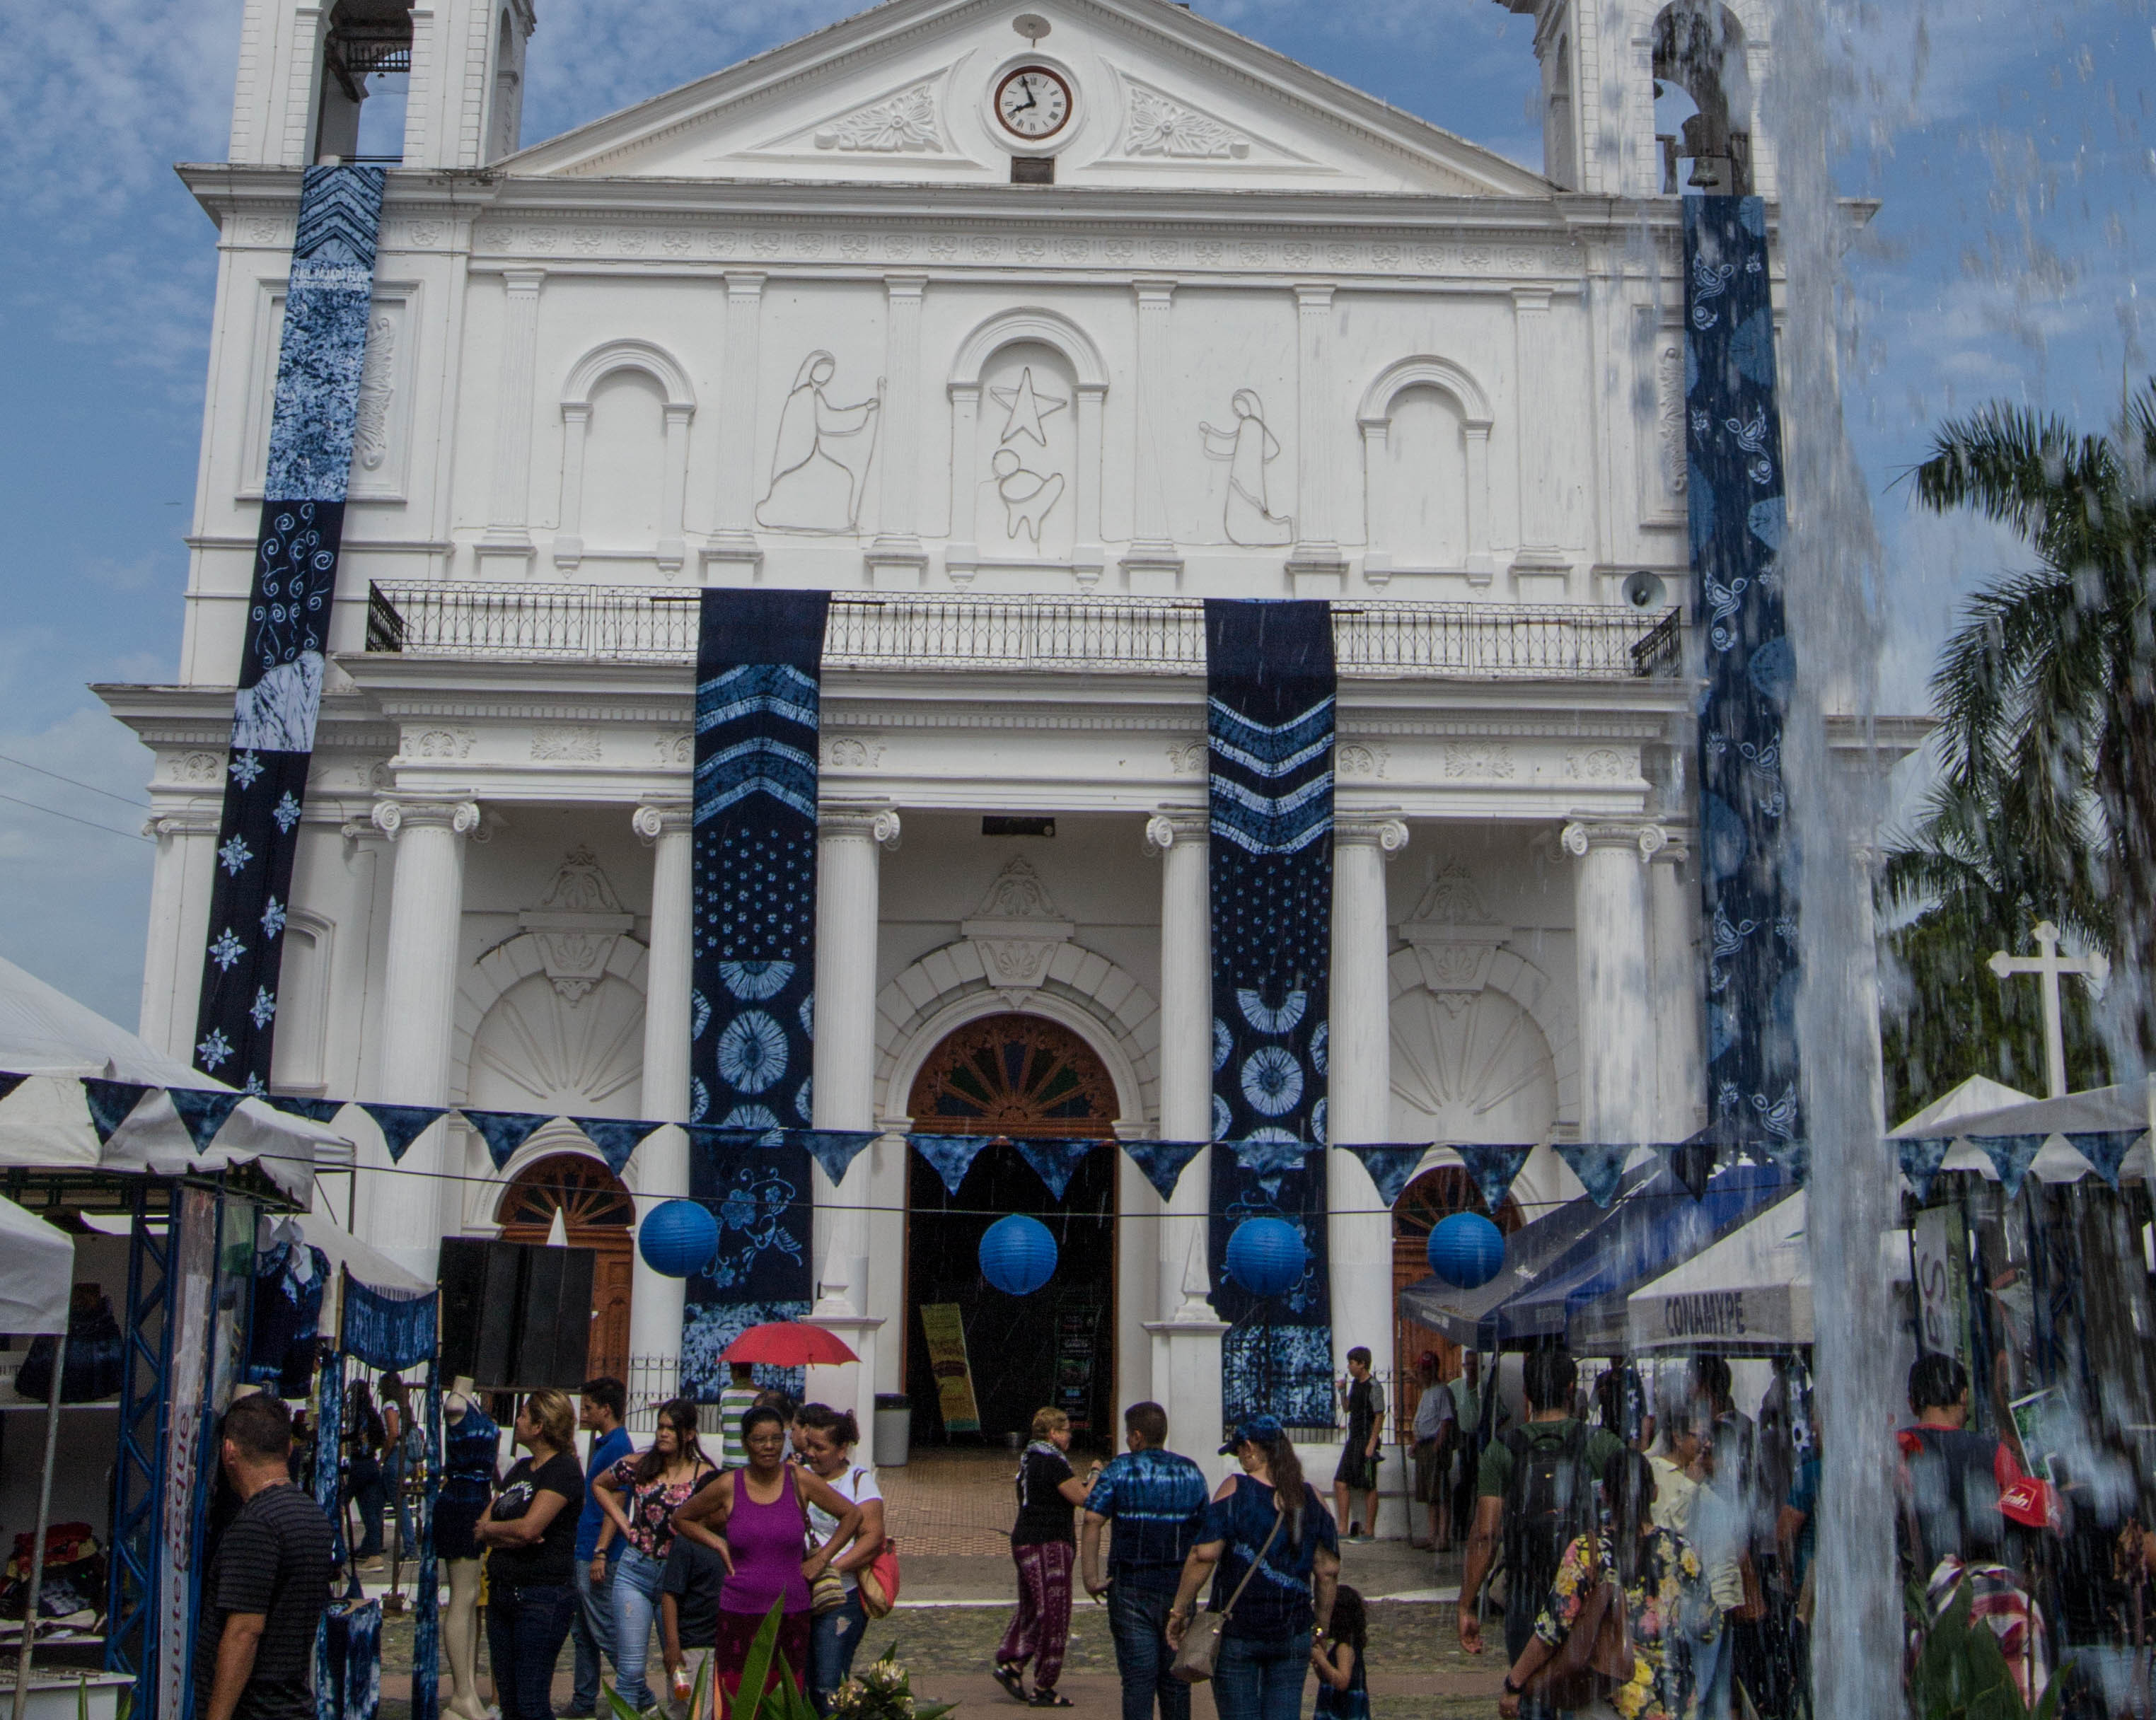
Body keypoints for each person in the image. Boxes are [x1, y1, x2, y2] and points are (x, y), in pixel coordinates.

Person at [1458, 1348, 1626, 1718]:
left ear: (1527, 1396)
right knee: (1586, 1695)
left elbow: (1485, 1535)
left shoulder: (1503, 1450)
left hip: (1525, 1593)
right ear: (1571, 1389)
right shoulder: (1602, 1446)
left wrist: (1467, 1603)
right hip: (1588, 1596)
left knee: (1530, 1693)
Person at [1497, 1450, 1716, 1720]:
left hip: (1611, 1698)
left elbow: (1551, 1630)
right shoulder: (1682, 1551)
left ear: (1605, 1495)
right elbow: (1708, 1626)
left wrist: (1514, 1683)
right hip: (1674, 1702)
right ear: (1655, 1493)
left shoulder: (1588, 1551)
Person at [674, 1405, 861, 1704]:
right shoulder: (728, 1485)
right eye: (760, 1440)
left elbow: (852, 1515)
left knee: (787, 1699)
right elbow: (682, 1518)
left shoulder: (800, 1479)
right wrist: (719, 1544)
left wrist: (822, 1558)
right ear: (746, 1442)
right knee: (739, 1700)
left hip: (792, 1612)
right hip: (740, 1612)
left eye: (777, 1438)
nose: (770, 1446)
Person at [1165, 1417, 1340, 1720]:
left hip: (1238, 1629)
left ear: (1250, 1448)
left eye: (1237, 1453)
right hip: (1293, 1628)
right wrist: (1321, 1627)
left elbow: (1203, 1554)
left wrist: (1179, 1611)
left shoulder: (1236, 1490)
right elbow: (1328, 1571)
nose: (1239, 1461)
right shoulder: (1311, 1498)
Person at [195, 1393, 336, 1720]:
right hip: (292, 1703)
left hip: (256, 1710)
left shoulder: (257, 1524)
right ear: (288, 1448)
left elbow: (245, 1631)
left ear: (229, 1451)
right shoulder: (311, 1515)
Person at [1079, 1401, 1210, 1720]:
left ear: (1137, 1436)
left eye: (1128, 1434)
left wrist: (1090, 1578)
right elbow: (1205, 1537)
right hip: (1179, 1587)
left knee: (1138, 1681)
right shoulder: (1191, 1471)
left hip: (1131, 1586)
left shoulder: (1120, 1470)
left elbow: (1092, 1520)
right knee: (1177, 1681)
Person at [593, 1398, 718, 1714]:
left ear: (688, 1434)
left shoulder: (704, 1474)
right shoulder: (639, 1464)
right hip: (636, 1568)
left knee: (676, 1663)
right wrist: (624, 1524)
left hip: (677, 1577)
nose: (663, 1434)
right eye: (660, 1427)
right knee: (631, 1669)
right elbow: (600, 1485)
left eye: (671, 1429)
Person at [475, 1389, 586, 1720]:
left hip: (541, 1595)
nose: (518, 1420)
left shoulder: (563, 1470)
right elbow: (484, 1523)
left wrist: (504, 1532)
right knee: (508, 1700)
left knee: (531, 1701)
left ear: (539, 1426)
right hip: (503, 1591)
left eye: (523, 1415)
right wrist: (505, 1534)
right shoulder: (520, 1469)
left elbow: (530, 1529)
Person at [995, 1407, 1096, 1707]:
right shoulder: (1051, 1463)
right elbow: (1083, 1497)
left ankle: (1012, 1664)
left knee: (1032, 1609)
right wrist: (1096, 1474)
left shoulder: (1029, 1461)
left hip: (1026, 1542)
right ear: (1053, 1434)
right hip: (1046, 1544)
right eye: (1066, 1431)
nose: (1069, 1437)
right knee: (1054, 1612)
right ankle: (1043, 1685)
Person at [796, 1403, 886, 1716]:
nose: (811, 1453)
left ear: (842, 1449)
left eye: (820, 1448)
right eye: (808, 1445)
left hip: (841, 1595)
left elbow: (873, 1537)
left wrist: (829, 1568)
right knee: (801, 1683)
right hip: (800, 1593)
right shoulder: (798, 1477)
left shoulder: (859, 1482)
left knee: (829, 1685)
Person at [568, 1376, 632, 1720]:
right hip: (586, 1543)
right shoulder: (605, 1443)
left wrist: (601, 1551)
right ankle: (583, 1699)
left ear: (606, 1410)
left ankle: (639, 1692)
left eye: (589, 1408)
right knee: (584, 1631)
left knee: (605, 1627)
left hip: (598, 1547)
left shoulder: (618, 1447)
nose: (584, 1413)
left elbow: (617, 1501)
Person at [659, 1474, 727, 1720]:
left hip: (726, 1645)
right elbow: (670, 1595)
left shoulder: (736, 1538)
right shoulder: (687, 1542)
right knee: (692, 1711)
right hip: (694, 1647)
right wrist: (673, 1646)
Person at [1333, 1348, 1386, 1541]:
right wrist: (1341, 1391)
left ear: (1362, 1364)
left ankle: (1370, 1531)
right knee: (1340, 1482)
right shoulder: (1355, 1384)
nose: (1349, 1367)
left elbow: (1380, 1416)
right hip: (1353, 1439)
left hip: (1366, 1438)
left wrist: (1372, 1442)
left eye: (1352, 1363)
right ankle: (1342, 1528)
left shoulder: (1374, 1386)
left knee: (1369, 1484)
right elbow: (1347, 1408)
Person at [1408, 1354, 1455, 1552]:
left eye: (1426, 1369)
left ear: (1434, 1369)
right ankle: (1431, 1535)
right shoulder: (1427, 1392)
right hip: (1424, 1445)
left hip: (1435, 1446)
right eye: (1421, 1369)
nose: (1422, 1372)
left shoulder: (1442, 1391)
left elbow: (1446, 1420)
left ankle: (1443, 1538)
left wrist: (1438, 1444)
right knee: (1430, 1495)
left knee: (1441, 1494)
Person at [1308, 1584, 1369, 1720]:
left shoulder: (1344, 1648)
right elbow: (1331, 1679)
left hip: (1342, 1712)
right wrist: (1319, 1666)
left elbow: (1342, 1682)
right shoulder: (1345, 1645)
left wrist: (1323, 1661)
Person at [344, 1378, 388, 1565]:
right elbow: (382, 1437)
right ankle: (372, 1549)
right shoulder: (373, 1414)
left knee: (340, 1501)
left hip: (359, 1463)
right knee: (371, 1511)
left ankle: (335, 1544)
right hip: (371, 1462)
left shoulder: (357, 1414)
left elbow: (353, 1436)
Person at [718, 1362, 760, 1469]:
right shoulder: (759, 1394)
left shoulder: (725, 1394)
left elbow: (723, 1426)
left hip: (729, 1459)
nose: (731, 1376)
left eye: (731, 1372)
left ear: (736, 1372)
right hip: (753, 1460)